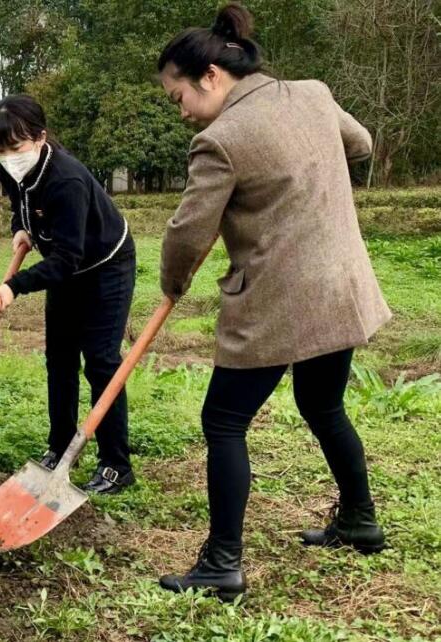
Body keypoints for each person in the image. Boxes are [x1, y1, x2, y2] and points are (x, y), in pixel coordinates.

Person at [153, 3, 390, 600]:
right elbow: (358, 143)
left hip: (278, 301)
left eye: (178, 95)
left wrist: (173, 282)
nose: (179, 110)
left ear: (211, 76)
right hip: (341, 290)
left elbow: (186, 232)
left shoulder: (221, 139)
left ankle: (221, 564)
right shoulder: (311, 93)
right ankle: (360, 519)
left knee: (224, 421)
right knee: (323, 404)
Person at [0, 95, 138, 494]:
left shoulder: (67, 180)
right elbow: (19, 202)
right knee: (60, 360)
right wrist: (19, 225)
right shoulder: (11, 170)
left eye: (15, 147)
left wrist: (15, 286)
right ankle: (59, 447)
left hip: (105, 266)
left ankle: (116, 465)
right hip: (65, 264)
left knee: (102, 363)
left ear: (40, 138)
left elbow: (68, 259)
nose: (8, 157)